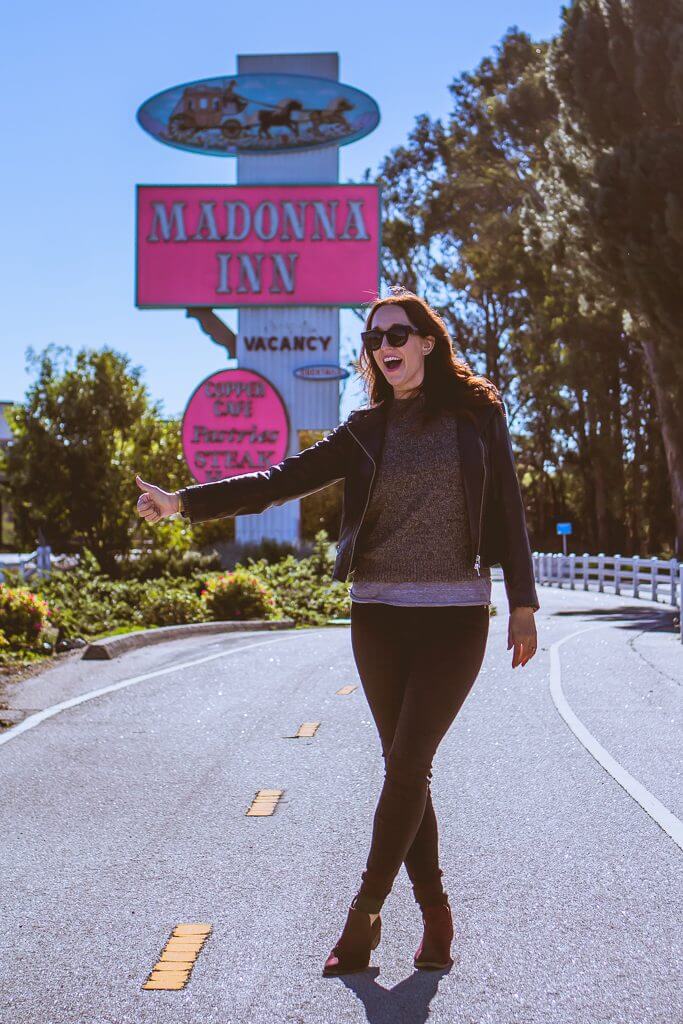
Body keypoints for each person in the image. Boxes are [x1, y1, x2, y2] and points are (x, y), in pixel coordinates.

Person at [135, 288, 539, 976]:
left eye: (398, 333)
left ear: (428, 343)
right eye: (375, 336)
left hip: (454, 618)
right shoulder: (364, 430)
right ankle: (436, 916)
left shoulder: (476, 415)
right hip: (377, 615)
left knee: (409, 766)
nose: (385, 345)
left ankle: (363, 917)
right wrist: (183, 503)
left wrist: (523, 602)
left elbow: (506, 502)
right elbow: (279, 480)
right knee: (404, 771)